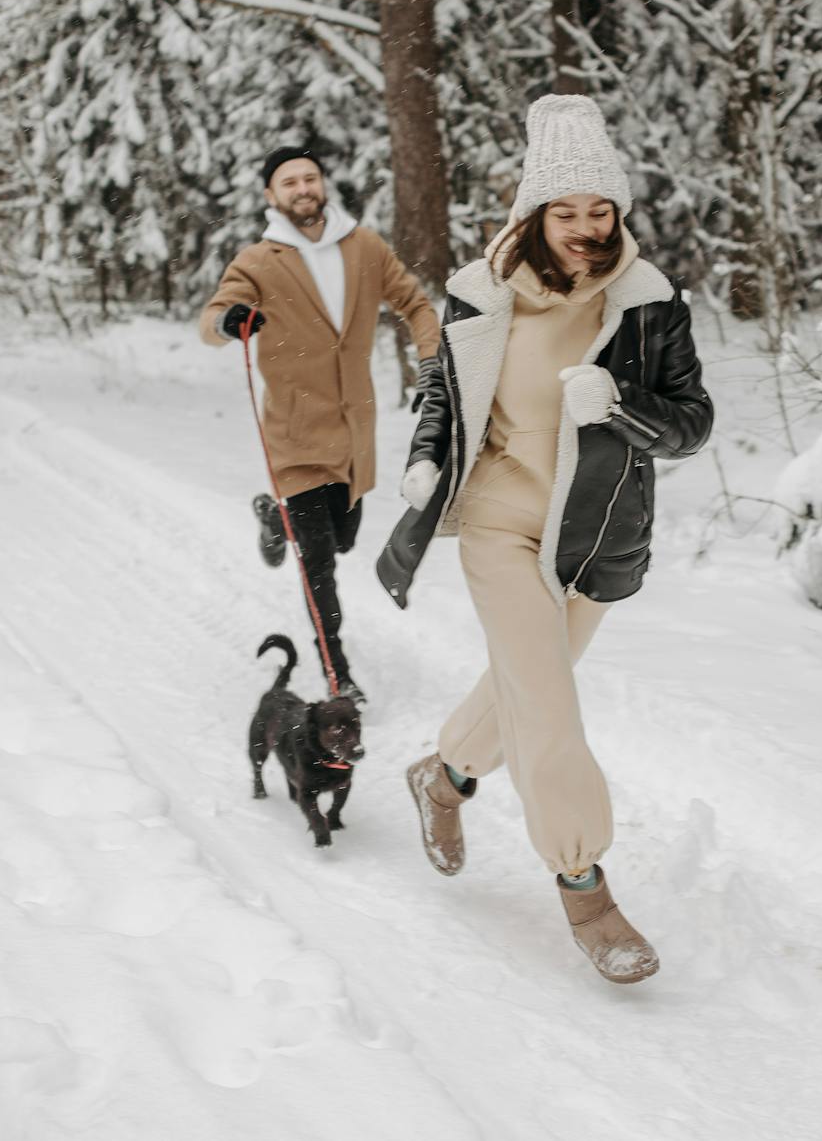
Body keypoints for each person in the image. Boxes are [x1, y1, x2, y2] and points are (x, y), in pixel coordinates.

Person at [376, 96, 714, 985]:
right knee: (550, 705)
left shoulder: (649, 302)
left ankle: (442, 777)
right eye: (566, 213)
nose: (586, 229)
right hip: (497, 521)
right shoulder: (477, 295)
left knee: (524, 691)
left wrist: (625, 405)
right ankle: (586, 888)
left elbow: (693, 425)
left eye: (599, 211)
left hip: (596, 537)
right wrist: (422, 461)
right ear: (532, 215)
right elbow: (444, 397)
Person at [202, 146, 442, 704]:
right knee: (318, 566)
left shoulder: (365, 247)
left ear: (324, 184)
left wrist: (429, 358)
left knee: (340, 541)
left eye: (310, 178)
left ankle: (275, 518)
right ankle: (338, 672)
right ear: (272, 196)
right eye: (289, 182)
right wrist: (227, 320)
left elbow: (417, 303)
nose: (302, 188)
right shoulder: (259, 261)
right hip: (294, 432)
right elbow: (211, 320)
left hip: (354, 433)